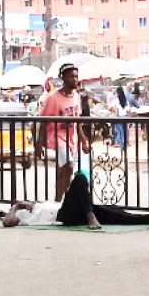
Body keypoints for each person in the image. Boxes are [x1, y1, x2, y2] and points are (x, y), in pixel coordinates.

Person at [3, 173, 149, 229]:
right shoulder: (23, 215)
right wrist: (16, 205)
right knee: (79, 178)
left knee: (113, 213)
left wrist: (31, 203)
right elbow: (7, 222)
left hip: (71, 211)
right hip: (62, 216)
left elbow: (35, 204)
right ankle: (90, 214)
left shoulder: (38, 206)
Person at [35, 63, 90, 202]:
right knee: (67, 167)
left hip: (72, 139)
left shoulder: (77, 96)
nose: (75, 80)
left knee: (65, 173)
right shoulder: (53, 98)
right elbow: (44, 122)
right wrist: (39, 144)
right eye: (71, 76)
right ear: (63, 78)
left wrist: (83, 140)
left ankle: (61, 200)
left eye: (76, 76)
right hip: (57, 137)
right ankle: (59, 200)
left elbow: (77, 120)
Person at [109, 87, 130, 151]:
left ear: (117, 93)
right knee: (125, 132)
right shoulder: (126, 101)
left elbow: (110, 108)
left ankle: (121, 146)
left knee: (119, 132)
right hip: (125, 117)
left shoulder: (115, 101)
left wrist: (114, 111)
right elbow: (129, 110)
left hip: (118, 118)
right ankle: (125, 144)